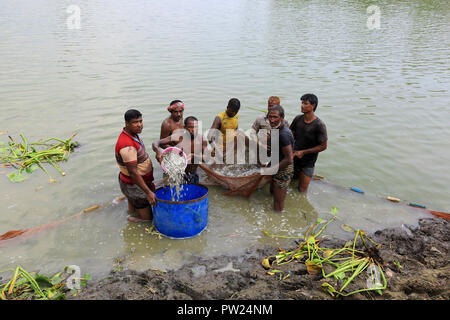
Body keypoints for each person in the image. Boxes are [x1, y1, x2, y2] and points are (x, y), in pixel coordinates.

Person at [115, 109, 156, 222]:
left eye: (140, 121)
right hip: (134, 185)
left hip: (132, 183)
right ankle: (131, 220)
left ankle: (132, 212)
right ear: (127, 124)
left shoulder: (132, 135)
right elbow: (133, 173)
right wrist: (148, 192)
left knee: (134, 206)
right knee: (148, 219)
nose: (139, 125)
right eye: (135, 122)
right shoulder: (127, 146)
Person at [289, 93, 327, 193]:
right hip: (295, 157)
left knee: (302, 190)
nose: (302, 105)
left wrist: (303, 152)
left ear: (313, 106)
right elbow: (291, 136)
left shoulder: (319, 125)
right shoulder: (298, 119)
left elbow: (323, 146)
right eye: (302, 103)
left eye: (305, 103)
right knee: (291, 182)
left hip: (308, 162)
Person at [153, 116, 207, 184]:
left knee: (192, 192)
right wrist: (158, 151)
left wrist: (194, 156)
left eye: (196, 127)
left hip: (192, 173)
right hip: (177, 173)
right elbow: (156, 143)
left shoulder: (201, 140)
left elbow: (206, 159)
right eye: (190, 127)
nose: (193, 129)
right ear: (184, 128)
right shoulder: (178, 137)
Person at [267, 105, 294, 212]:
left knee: (278, 203)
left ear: (282, 117)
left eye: (275, 117)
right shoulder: (276, 129)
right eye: (270, 117)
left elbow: (289, 159)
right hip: (277, 164)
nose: (272, 120)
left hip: (283, 169)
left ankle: (278, 221)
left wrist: (272, 169)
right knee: (272, 193)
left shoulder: (283, 134)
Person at [208, 98, 240, 163]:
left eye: (236, 111)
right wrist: (217, 151)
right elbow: (209, 136)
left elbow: (235, 130)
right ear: (227, 107)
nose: (233, 113)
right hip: (220, 148)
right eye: (232, 111)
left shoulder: (236, 116)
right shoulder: (219, 118)